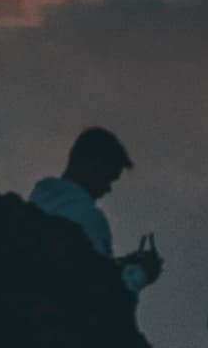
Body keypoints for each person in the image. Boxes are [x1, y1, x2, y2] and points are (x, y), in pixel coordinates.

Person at [28, 125, 163, 300]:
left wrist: (117, 266)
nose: (108, 189)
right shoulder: (89, 218)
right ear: (94, 166)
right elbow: (99, 298)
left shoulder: (38, 198)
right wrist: (141, 274)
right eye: (109, 179)